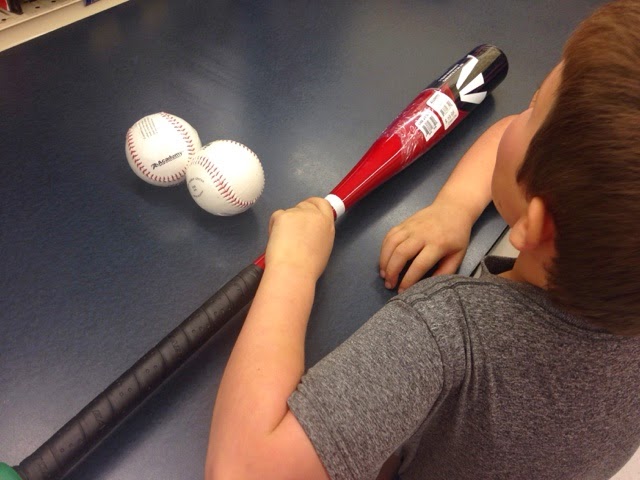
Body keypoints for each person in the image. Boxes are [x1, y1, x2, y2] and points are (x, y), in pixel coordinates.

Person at [205, 0, 640, 478]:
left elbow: (243, 469)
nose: (520, 112)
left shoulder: (449, 331)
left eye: (534, 106)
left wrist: (292, 269)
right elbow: (515, 145)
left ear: (535, 225)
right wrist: (454, 207)